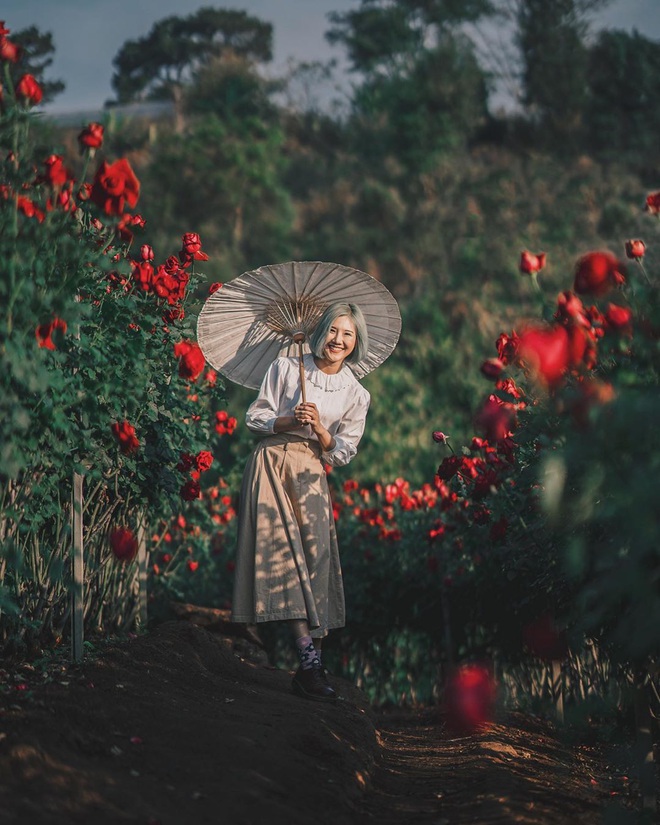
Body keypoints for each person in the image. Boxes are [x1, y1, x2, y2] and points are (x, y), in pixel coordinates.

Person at [231, 302, 371, 702]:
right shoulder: (286, 367)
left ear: (355, 341)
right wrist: (292, 419)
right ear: (320, 332)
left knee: (315, 558)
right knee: (283, 554)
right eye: (332, 331)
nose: (338, 340)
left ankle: (315, 662)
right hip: (272, 461)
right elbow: (255, 418)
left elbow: (342, 452)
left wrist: (321, 430)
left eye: (347, 334)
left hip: (310, 470)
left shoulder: (357, 393)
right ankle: (308, 661)